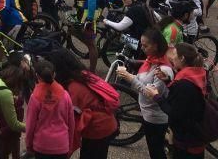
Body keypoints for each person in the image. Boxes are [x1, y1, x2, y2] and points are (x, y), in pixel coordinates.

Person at [49, 49, 118, 159]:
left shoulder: (73, 88)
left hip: (97, 129)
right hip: (107, 123)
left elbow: (68, 118)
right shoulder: (84, 74)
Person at [115, 28, 173, 159]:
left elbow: (153, 95)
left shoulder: (163, 69)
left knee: (156, 152)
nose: (142, 48)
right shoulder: (151, 60)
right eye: (141, 44)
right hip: (148, 114)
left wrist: (131, 78)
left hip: (156, 118)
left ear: (156, 45)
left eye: (145, 45)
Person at [143, 43, 207, 159]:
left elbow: (174, 114)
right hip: (196, 138)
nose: (171, 57)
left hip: (187, 143)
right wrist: (167, 81)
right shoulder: (195, 74)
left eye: (174, 54)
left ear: (182, 58)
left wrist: (156, 96)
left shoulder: (184, 85)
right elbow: (184, 101)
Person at [24, 58, 75, 159]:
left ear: (37, 76)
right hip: (62, 145)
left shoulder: (35, 97)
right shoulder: (65, 95)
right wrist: (70, 145)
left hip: (41, 146)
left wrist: (29, 145)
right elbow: (71, 123)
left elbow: (30, 125)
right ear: (54, 74)